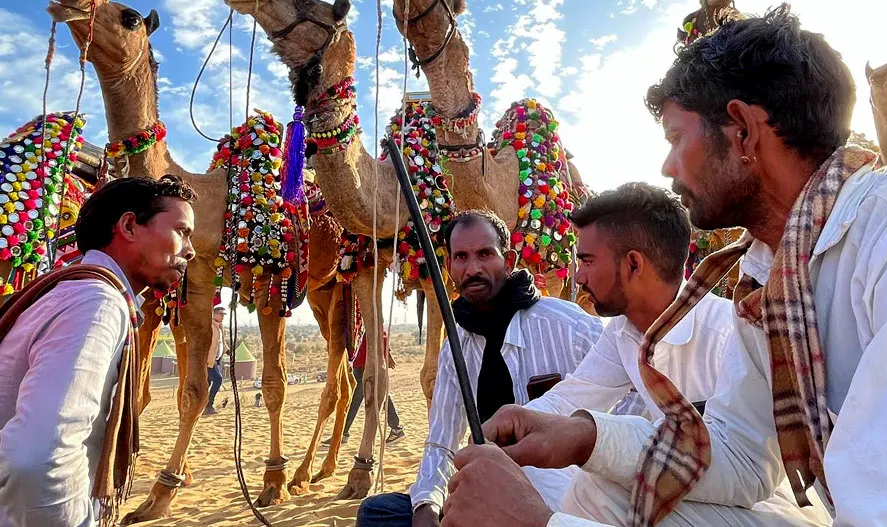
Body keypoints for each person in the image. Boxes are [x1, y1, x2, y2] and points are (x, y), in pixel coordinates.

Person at [441, 6, 887, 527]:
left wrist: (538, 524)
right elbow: (739, 457)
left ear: (741, 131)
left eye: (675, 138)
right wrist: (586, 436)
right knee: (604, 486)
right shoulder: (774, 278)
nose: (668, 166)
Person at [479, 182, 829, 526]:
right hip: (694, 489)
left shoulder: (726, 333)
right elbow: (572, 397)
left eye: (586, 261)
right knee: (585, 482)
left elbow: (747, 468)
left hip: (768, 506)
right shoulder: (623, 332)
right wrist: (514, 423)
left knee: (601, 484)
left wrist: (590, 442)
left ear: (633, 264)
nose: (579, 275)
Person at [356, 209, 603, 527]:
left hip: (561, 499)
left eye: (485, 254)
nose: (473, 268)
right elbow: (441, 441)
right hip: (487, 494)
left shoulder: (569, 327)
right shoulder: (456, 346)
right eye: (461, 257)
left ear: (509, 260)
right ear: (449, 267)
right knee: (378, 513)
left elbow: (627, 407)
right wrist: (426, 506)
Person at [0, 175, 196, 527]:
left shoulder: (70, 289)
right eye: (181, 231)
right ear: (129, 226)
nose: (190, 250)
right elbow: (39, 458)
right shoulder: (96, 303)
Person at [323, 330, 405, 446]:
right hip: (364, 362)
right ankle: (396, 429)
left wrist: (388, 353)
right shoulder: (361, 319)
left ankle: (342, 434)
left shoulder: (369, 316)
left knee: (355, 399)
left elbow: (380, 331)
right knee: (379, 395)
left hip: (366, 364)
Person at [205, 306, 226, 415]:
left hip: (216, 359)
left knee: (207, 382)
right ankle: (209, 405)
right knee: (218, 379)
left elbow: (222, 342)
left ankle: (203, 403)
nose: (222, 316)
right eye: (220, 314)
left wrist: (227, 351)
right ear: (214, 314)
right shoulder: (210, 326)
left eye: (223, 314)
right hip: (209, 359)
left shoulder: (220, 327)